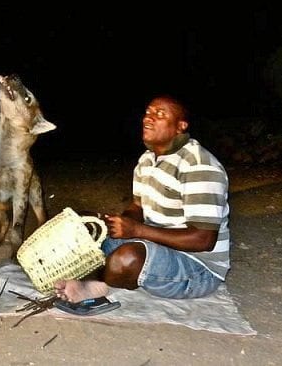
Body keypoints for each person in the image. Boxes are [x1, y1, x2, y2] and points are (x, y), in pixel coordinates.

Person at [54, 94, 230, 303]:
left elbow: (204, 239)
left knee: (125, 259)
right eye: (148, 112)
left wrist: (137, 231)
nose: (148, 118)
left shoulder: (199, 165)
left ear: (180, 126)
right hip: (156, 242)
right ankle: (98, 276)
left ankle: (99, 285)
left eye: (160, 114)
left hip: (198, 267)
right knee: (84, 224)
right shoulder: (147, 160)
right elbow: (138, 206)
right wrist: (116, 222)